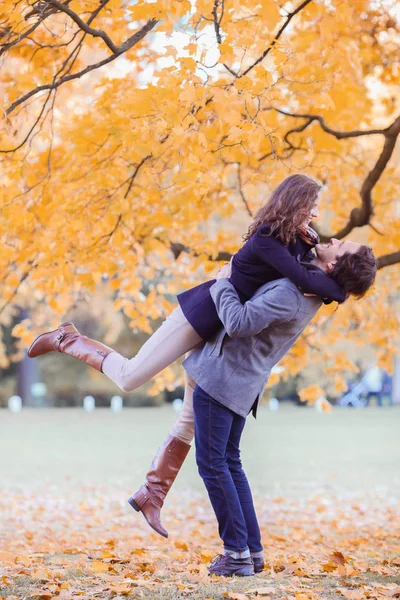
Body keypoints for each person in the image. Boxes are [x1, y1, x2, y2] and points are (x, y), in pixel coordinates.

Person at [27, 174, 373, 534]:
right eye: (313, 205)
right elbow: (309, 280)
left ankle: (152, 494)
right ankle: (67, 338)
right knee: (130, 377)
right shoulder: (269, 238)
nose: (317, 214)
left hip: (222, 332)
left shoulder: (300, 241)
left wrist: (340, 281)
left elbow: (316, 277)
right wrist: (343, 291)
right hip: (204, 313)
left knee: (189, 424)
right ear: (296, 203)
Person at [186, 239, 377, 577]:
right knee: (229, 462)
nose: (332, 239)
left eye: (340, 244)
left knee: (214, 465)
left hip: (223, 380)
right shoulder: (309, 288)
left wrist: (222, 285)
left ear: (334, 265)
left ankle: (237, 555)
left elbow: (238, 322)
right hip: (239, 382)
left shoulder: (293, 295)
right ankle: (251, 551)